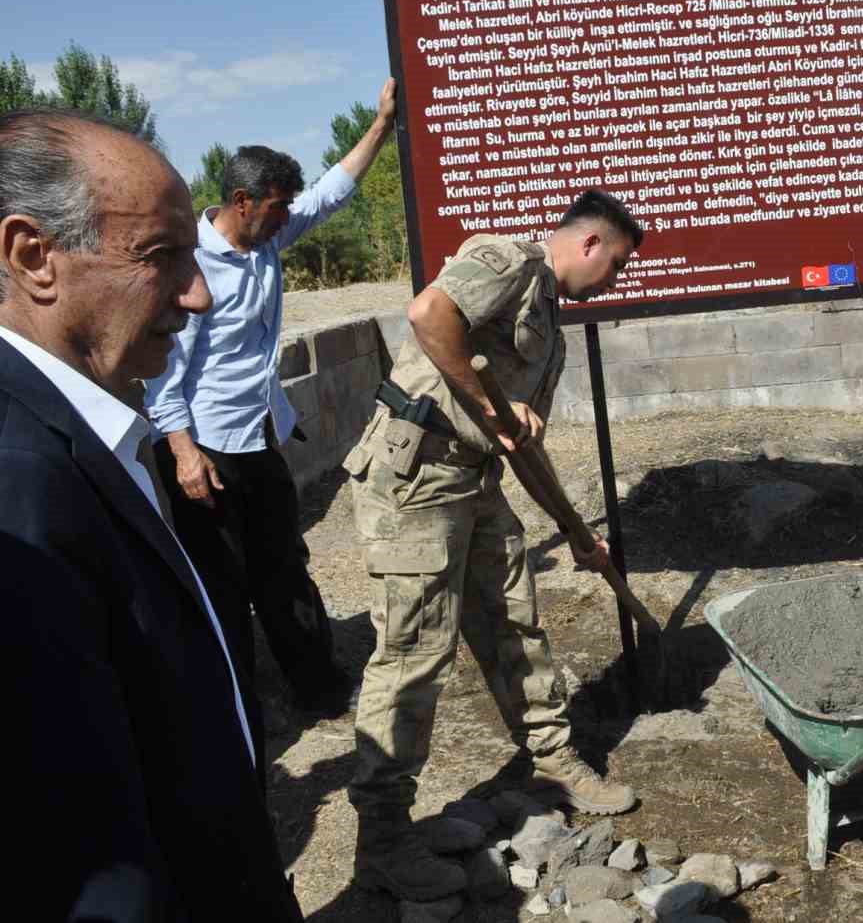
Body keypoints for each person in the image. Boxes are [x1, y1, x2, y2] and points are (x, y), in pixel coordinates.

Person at [0, 109, 302, 919]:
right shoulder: (19, 485)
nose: (198, 295)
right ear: (34, 257)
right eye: (162, 257)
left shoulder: (88, 428)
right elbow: (87, 859)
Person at [346, 189, 642, 902]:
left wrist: (576, 534)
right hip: (415, 473)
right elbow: (428, 315)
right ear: (591, 244)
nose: (616, 281)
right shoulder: (506, 259)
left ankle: (552, 757)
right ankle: (382, 840)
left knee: (514, 618)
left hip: (473, 478)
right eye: (618, 264)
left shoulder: (554, 338)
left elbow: (520, 448)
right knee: (416, 652)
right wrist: (486, 405)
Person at [143, 81, 397, 731]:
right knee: (224, 583)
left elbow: (328, 195)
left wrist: (381, 126)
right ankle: (239, 709)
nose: (289, 218)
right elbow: (165, 368)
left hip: (259, 434)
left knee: (283, 566)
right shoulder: (192, 265)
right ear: (242, 202)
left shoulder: (265, 243)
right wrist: (182, 453)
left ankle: (317, 686)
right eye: (278, 208)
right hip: (205, 446)